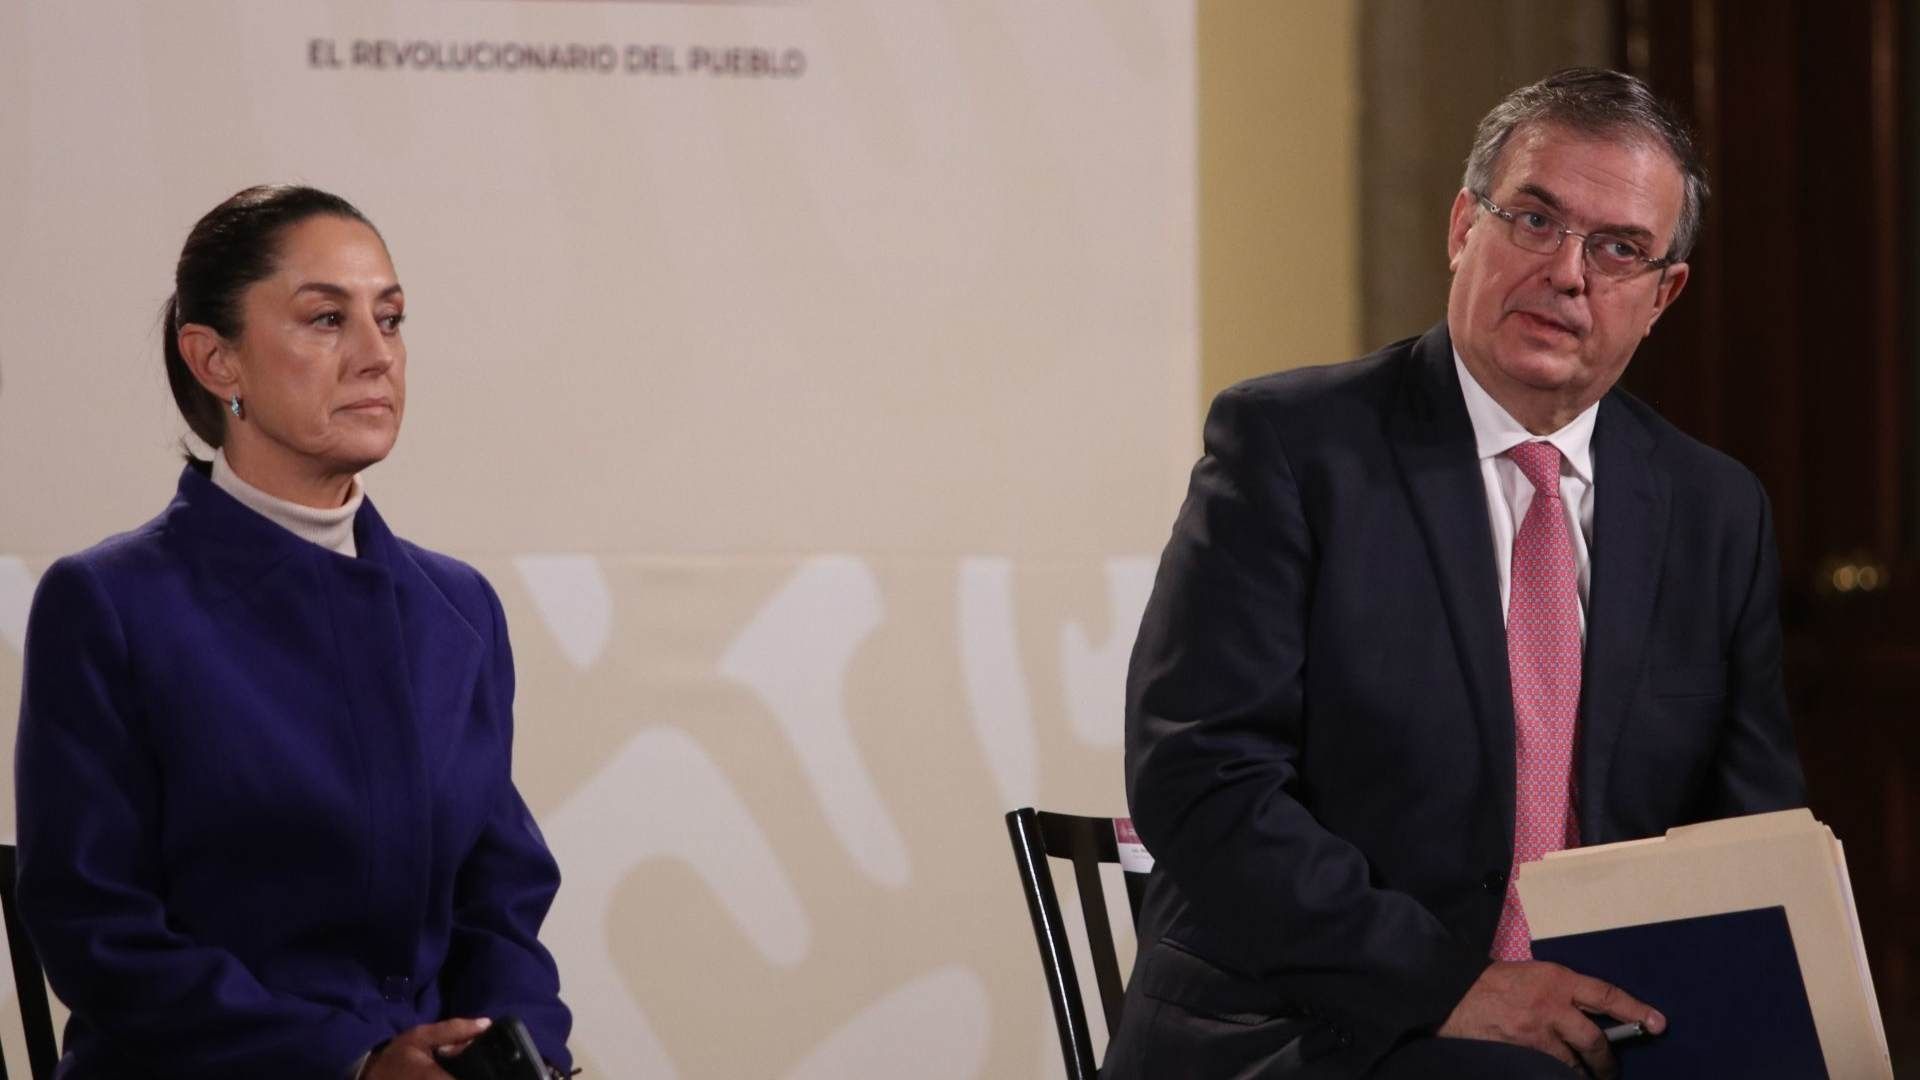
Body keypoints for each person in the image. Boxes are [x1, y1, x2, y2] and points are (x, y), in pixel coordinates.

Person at [1104, 69, 1806, 1079]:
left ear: (1664, 295)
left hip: (1604, 1028)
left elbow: (1749, 834)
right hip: (1314, 1023)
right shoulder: (1293, 449)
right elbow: (1200, 779)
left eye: (1618, 250)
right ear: (1459, 230)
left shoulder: (1714, 510)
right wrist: (1449, 984)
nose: (1568, 272)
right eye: (1533, 219)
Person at [14, 185, 572, 1079]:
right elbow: (94, 927)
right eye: (325, 320)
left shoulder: (458, 606)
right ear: (216, 361)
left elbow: (499, 904)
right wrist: (349, 1062)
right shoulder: (110, 604)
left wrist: (518, 1051)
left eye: (390, 320)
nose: (374, 357)